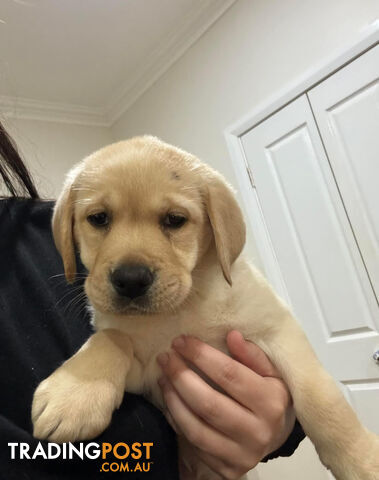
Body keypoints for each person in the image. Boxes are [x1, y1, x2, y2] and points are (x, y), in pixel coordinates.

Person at [0, 121, 304, 479]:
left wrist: (277, 425)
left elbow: (267, 383)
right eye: (100, 219)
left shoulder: (36, 231)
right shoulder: (73, 230)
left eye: (173, 219)